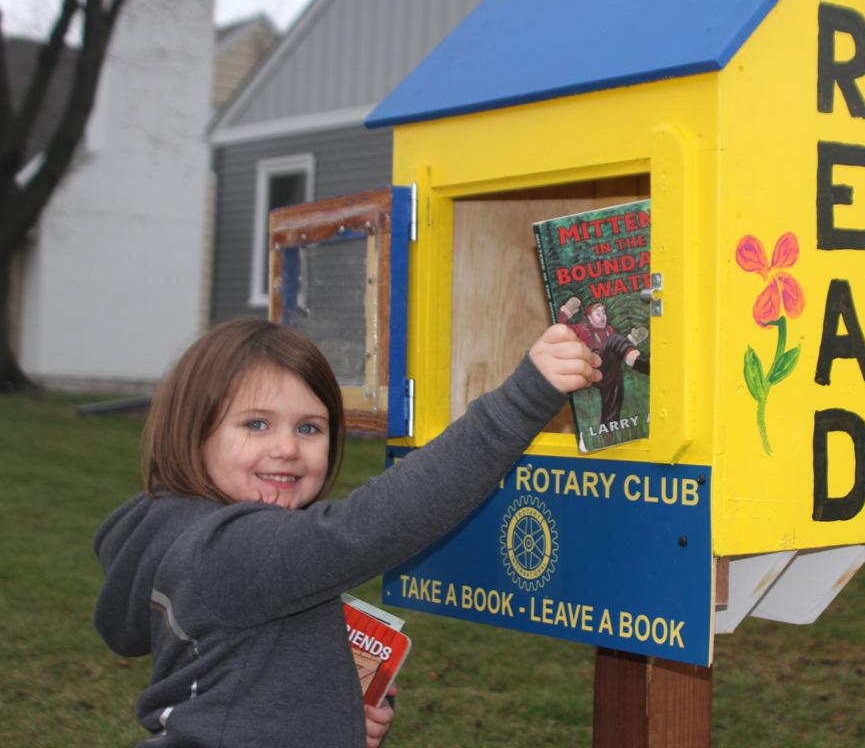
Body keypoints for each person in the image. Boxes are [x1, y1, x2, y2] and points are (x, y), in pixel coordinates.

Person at [93, 318, 598, 747]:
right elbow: (371, 527)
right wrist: (521, 401)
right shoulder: (229, 549)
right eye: (256, 424)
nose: (288, 449)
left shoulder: (178, 528)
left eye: (309, 428)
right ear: (190, 431)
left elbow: (239, 675)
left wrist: (327, 713)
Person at [557, 297, 649, 425]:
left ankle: (610, 425)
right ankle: (638, 362)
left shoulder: (609, 331)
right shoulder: (583, 329)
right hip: (591, 369)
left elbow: (616, 350)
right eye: (598, 314)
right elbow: (561, 329)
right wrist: (566, 311)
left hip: (608, 373)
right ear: (589, 317)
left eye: (603, 313)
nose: (602, 316)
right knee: (614, 340)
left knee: (617, 376)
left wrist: (631, 340)